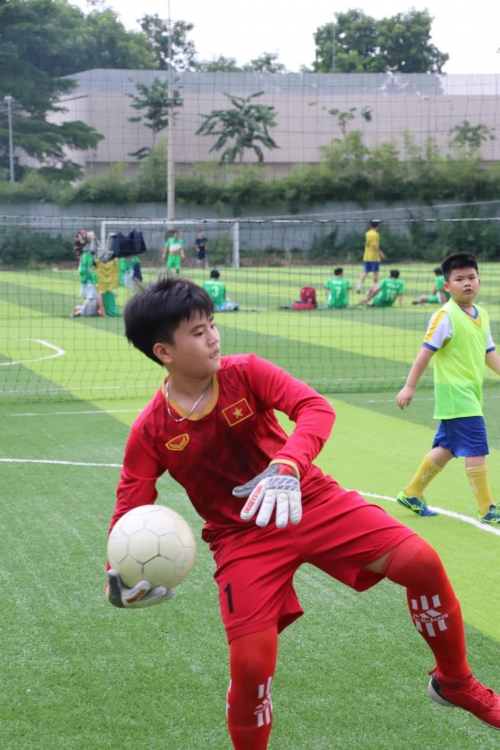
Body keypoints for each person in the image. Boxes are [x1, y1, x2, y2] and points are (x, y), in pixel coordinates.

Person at [105, 275, 500, 750]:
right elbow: (131, 505)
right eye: (197, 331)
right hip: (240, 537)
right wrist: (117, 575)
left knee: (422, 562)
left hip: (310, 498)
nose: (213, 337)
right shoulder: (150, 430)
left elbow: (314, 408)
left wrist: (287, 465)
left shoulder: (246, 371)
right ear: (163, 351)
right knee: (251, 666)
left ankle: (455, 681)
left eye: (212, 325)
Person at [396, 252, 500, 524]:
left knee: (447, 447)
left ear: (479, 281)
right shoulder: (445, 316)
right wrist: (409, 387)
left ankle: (412, 493)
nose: (467, 283)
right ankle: (488, 509)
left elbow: (489, 353)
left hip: (470, 394)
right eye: (459, 279)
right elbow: (424, 354)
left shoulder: (482, 314)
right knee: (476, 448)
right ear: (446, 286)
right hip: (456, 395)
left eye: (472, 277)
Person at [355, 219, 387, 294]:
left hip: (367, 256)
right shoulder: (375, 234)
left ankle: (358, 287)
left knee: (365, 272)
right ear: (378, 225)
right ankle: (373, 290)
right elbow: (375, 246)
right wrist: (381, 253)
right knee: (375, 273)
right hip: (374, 257)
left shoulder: (367, 233)